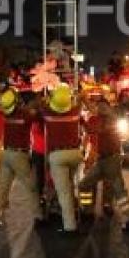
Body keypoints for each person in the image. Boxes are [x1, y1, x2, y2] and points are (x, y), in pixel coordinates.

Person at [78, 90, 129, 232]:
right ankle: (87, 211)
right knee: (84, 185)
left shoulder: (109, 119)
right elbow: (92, 127)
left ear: (107, 108)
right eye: (98, 106)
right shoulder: (106, 118)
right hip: (102, 159)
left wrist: (81, 118)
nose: (98, 108)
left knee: (118, 190)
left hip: (111, 159)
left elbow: (93, 129)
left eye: (101, 106)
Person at [0, 88, 43, 228]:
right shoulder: (24, 114)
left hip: (6, 154)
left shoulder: (7, 115)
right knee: (31, 187)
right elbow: (38, 116)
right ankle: (38, 217)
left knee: (2, 189)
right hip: (19, 156)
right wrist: (37, 102)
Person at [43, 84, 83, 234]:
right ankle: (74, 211)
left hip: (57, 156)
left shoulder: (48, 114)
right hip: (74, 154)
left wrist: (49, 98)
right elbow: (79, 102)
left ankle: (70, 226)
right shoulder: (75, 112)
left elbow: (42, 105)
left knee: (64, 192)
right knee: (70, 186)